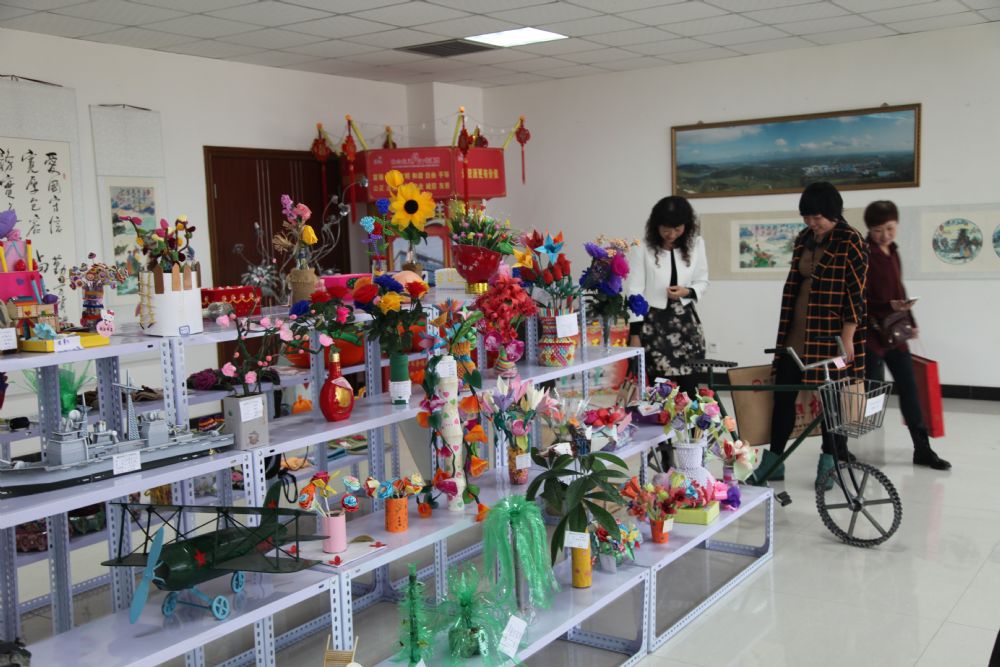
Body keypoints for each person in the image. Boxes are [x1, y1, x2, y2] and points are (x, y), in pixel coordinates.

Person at [764, 182, 868, 488]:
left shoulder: (851, 241)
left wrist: (848, 336)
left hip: (831, 335)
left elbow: (856, 294)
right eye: (806, 216)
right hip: (796, 332)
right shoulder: (804, 239)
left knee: (832, 403)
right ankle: (773, 462)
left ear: (833, 213)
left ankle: (829, 464)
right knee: (783, 396)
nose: (811, 222)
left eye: (817, 217)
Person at [863, 200, 950, 470]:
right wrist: (889, 306)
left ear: (897, 225)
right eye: (878, 230)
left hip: (895, 333)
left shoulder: (893, 252)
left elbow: (899, 289)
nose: (885, 235)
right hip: (871, 335)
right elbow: (859, 298)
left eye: (890, 228)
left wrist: (910, 320)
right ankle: (840, 449)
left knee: (910, 390)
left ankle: (922, 449)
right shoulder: (864, 254)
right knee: (866, 393)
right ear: (869, 230)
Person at [626, 195, 709, 399]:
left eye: (677, 229)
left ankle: (692, 421)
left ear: (686, 226)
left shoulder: (696, 244)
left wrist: (686, 292)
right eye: (665, 229)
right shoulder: (642, 247)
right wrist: (634, 333)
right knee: (660, 392)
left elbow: (702, 281)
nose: (671, 234)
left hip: (686, 323)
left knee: (690, 390)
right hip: (653, 325)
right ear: (656, 225)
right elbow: (634, 291)